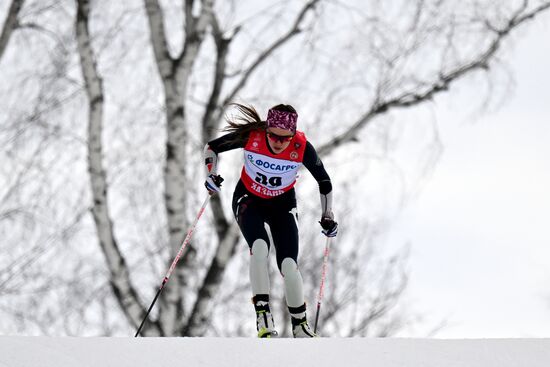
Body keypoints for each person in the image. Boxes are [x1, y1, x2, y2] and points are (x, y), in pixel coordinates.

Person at [203, 103, 338, 338]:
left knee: (288, 264)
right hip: (249, 199)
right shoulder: (252, 136)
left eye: (284, 138)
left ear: (293, 135)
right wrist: (211, 175)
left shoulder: (302, 147)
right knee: (259, 247)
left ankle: (300, 325)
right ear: (266, 130)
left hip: (282, 205)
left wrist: (327, 216)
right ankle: (263, 316)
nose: (278, 142)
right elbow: (212, 147)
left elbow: (324, 182)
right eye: (273, 135)